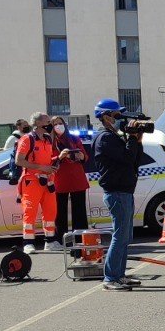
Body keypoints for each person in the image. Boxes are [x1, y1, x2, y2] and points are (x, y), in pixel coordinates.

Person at [91, 99, 145, 291]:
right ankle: (111, 277)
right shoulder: (105, 138)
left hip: (125, 191)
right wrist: (130, 138)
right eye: (117, 116)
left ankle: (119, 275)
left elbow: (135, 161)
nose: (121, 119)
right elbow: (126, 159)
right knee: (119, 235)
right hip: (117, 192)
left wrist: (137, 140)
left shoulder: (115, 137)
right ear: (106, 117)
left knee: (125, 237)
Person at [15, 112, 59, 254]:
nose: (50, 124)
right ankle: (28, 243)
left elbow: (49, 157)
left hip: (47, 181)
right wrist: (41, 168)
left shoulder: (47, 139)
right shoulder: (27, 139)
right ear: (39, 123)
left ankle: (50, 242)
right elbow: (19, 160)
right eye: (48, 121)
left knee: (50, 212)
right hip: (31, 181)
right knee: (30, 212)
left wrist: (55, 163)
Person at [49, 116, 90, 248]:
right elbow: (48, 160)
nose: (58, 126)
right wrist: (60, 156)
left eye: (60, 123)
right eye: (55, 124)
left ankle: (80, 239)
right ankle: (61, 240)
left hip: (77, 178)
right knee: (60, 213)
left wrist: (81, 156)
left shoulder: (73, 138)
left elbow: (85, 156)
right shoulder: (50, 141)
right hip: (60, 180)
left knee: (80, 212)